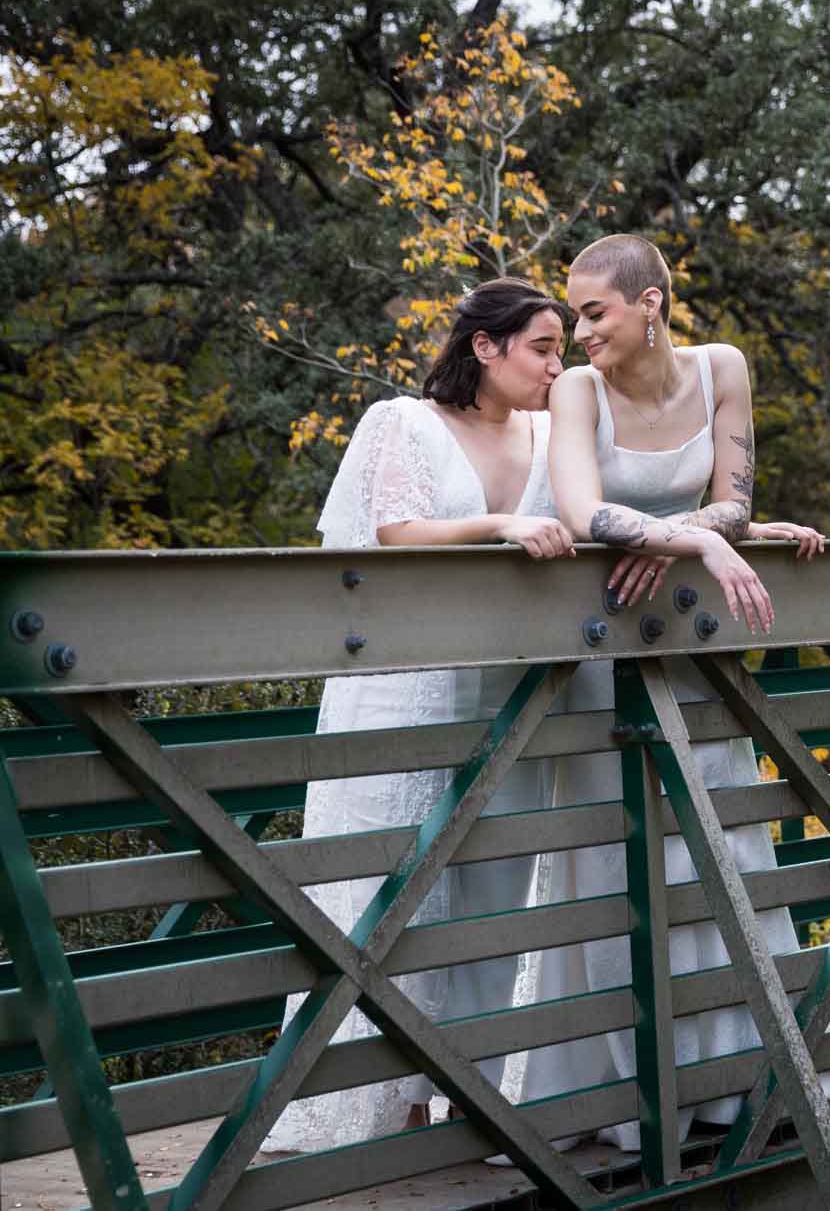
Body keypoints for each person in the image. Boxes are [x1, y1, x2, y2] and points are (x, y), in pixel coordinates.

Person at [520, 233, 830, 1152]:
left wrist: (700, 531)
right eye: (574, 315)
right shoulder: (579, 390)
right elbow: (583, 518)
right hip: (599, 650)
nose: (579, 333)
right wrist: (696, 540)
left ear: (651, 303)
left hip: (691, 646)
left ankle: (738, 1079)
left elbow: (738, 502)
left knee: (721, 843)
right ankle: (623, 1096)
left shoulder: (723, 367)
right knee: (615, 855)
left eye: (594, 313)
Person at [263, 278, 576, 1154]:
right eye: (543, 348)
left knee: (496, 885)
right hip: (405, 685)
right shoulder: (400, 422)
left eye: (562, 348)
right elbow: (395, 532)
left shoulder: (559, 432)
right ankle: (375, 1110)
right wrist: (501, 524)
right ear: (486, 347)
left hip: (511, 694)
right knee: (390, 883)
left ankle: (475, 1094)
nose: (559, 364)